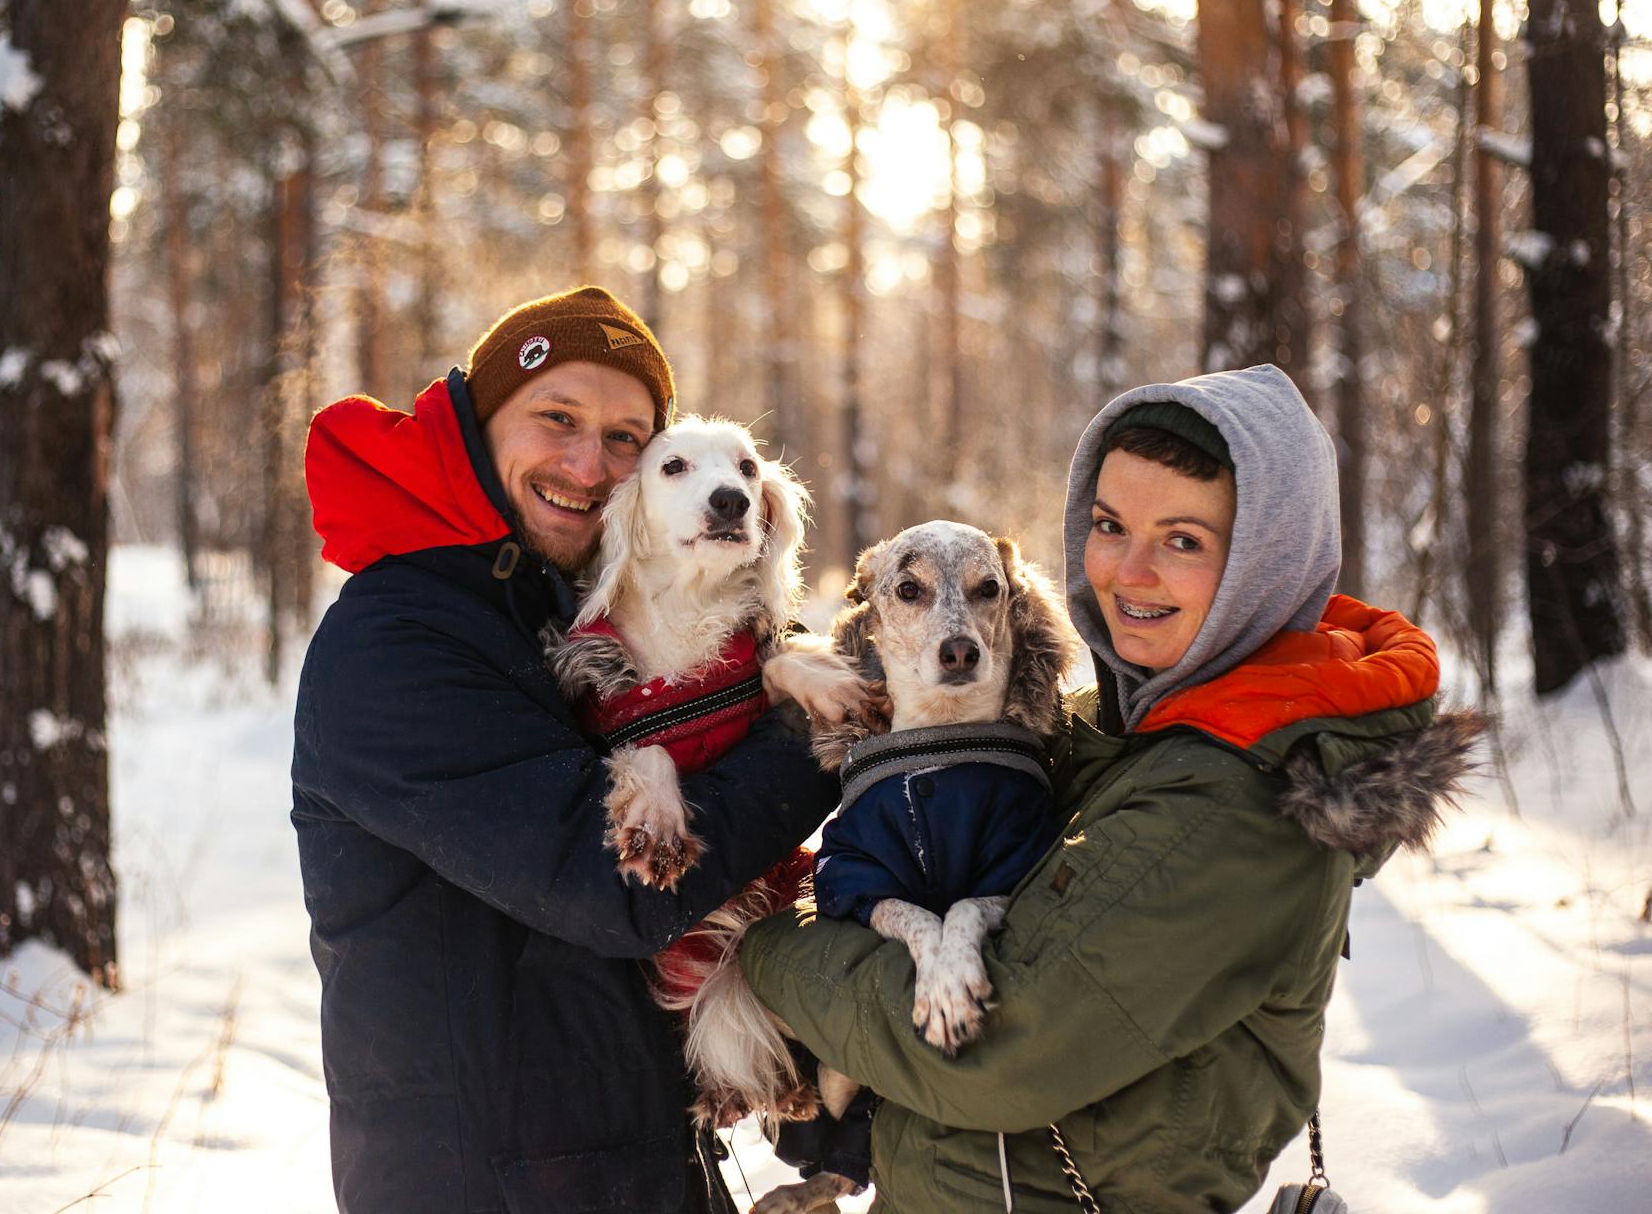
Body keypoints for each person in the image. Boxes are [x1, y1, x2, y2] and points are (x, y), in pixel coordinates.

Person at [736, 364, 1481, 1213]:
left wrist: (766, 946)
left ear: (1264, 561)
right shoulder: (1125, 722)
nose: (1129, 572)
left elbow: (991, 1056)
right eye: (1108, 524)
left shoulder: (1234, 804)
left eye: (1184, 539)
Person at [292, 285, 839, 1213]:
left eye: (625, 437)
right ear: (475, 425)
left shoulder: (553, 605)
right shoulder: (396, 641)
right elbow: (612, 882)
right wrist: (817, 738)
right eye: (557, 419)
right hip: (477, 1183)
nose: (588, 463)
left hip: (625, 1155)